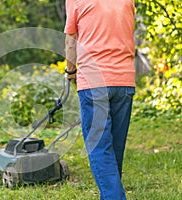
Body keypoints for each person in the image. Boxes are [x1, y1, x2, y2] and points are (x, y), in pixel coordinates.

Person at [64, 0, 136, 199]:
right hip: (125, 81)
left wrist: (70, 71)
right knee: (114, 147)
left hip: (94, 82)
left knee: (99, 147)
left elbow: (71, 40)